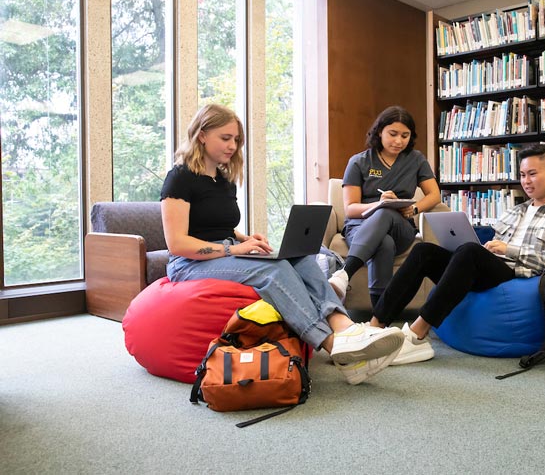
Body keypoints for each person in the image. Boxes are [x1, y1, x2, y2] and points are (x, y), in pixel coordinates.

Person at [160, 103, 405, 385]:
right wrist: (232, 249)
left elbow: (218, 227)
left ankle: (344, 326)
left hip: (223, 251)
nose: (232, 146)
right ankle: (332, 345)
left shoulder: (222, 179)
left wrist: (246, 239)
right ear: (202, 135)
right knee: (274, 271)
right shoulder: (180, 178)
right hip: (188, 264)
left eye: (236, 140)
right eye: (225, 138)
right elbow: (177, 243)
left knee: (300, 257)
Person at [369, 143, 545, 365]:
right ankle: (375, 325)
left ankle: (417, 335)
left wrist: (510, 250)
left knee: (470, 252)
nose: (526, 181)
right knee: (424, 251)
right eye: (522, 175)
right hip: (488, 266)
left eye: (532, 174)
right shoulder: (514, 211)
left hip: (517, 272)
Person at [328, 105, 441, 307]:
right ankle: (380, 318)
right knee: (384, 242)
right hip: (360, 227)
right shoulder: (359, 162)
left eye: (405, 136)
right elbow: (351, 208)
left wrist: (414, 209)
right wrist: (377, 205)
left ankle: (345, 273)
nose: (398, 141)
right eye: (393, 134)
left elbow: (434, 195)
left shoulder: (416, 160)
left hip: (401, 228)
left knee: (387, 212)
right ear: (380, 131)